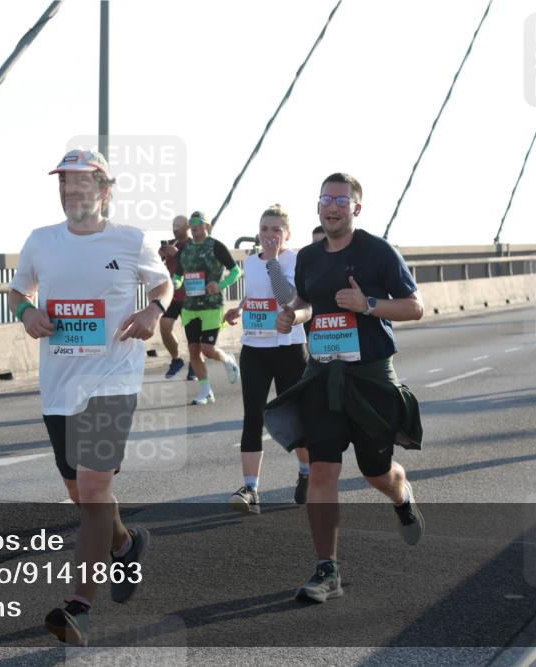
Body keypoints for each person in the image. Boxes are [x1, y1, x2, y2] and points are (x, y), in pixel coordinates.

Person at [8, 148, 173, 646]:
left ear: (104, 190)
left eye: (81, 183)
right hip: (60, 385)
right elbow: (18, 292)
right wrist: (27, 313)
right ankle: (125, 544)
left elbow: (164, 284)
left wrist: (153, 312)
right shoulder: (40, 241)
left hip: (113, 380)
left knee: (94, 490)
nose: (70, 191)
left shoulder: (131, 240)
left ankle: (78, 605)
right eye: (64, 183)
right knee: (81, 495)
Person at [265, 173, 425, 603]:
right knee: (322, 471)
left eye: (341, 200)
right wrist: (292, 316)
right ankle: (327, 570)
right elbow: (305, 302)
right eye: (326, 199)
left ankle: (401, 494)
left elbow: (415, 307)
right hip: (322, 375)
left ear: (356, 208)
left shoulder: (378, 252)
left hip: (368, 378)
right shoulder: (309, 257)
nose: (332, 207)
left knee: (376, 472)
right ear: (317, 206)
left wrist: (367, 305)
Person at [223, 205, 310, 512]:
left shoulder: (295, 260)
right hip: (254, 348)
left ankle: (306, 472)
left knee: (293, 416)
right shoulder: (250, 261)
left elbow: (287, 298)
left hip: (288, 348)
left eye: (276, 230)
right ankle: (250, 489)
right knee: (253, 416)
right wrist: (240, 308)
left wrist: (273, 261)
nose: (269, 235)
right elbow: (256, 292)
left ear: (287, 234)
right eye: (264, 229)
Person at [172, 211, 242, 405]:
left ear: (206, 226)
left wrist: (220, 285)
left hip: (211, 306)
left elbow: (236, 271)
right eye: (191, 222)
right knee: (194, 350)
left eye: (198, 222)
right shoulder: (185, 250)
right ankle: (206, 391)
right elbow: (178, 276)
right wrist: (176, 283)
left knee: (208, 349)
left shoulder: (216, 246)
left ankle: (227, 360)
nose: (193, 225)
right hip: (190, 307)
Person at [158, 215, 194, 379]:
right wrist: (159, 256)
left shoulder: (194, 245)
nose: (175, 228)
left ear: (187, 227)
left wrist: (178, 254)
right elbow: (157, 267)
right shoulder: (171, 244)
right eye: (173, 225)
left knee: (192, 335)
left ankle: (195, 365)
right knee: (164, 327)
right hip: (172, 295)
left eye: (178, 225)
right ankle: (176, 359)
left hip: (191, 296)